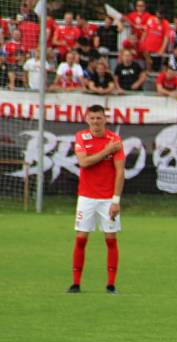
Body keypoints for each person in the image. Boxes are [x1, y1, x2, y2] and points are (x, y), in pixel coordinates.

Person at [68, 105, 125, 295]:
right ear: (87, 119)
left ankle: (111, 284)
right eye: (92, 118)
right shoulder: (81, 137)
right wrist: (106, 151)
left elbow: (120, 171)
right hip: (86, 197)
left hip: (108, 198)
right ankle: (76, 283)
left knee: (110, 239)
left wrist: (116, 200)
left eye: (99, 118)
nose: (95, 122)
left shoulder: (115, 139)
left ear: (105, 119)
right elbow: (83, 162)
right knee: (81, 238)